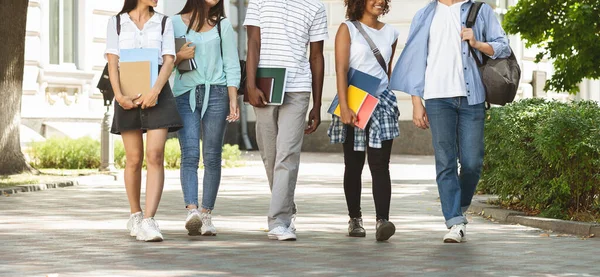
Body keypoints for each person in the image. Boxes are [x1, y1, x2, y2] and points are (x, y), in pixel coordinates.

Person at [390, 0, 511, 243]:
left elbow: (503, 47)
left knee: (472, 162)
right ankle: (454, 220)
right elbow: (415, 60)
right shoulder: (425, 14)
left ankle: (459, 206)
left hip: (472, 97)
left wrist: (477, 43)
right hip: (437, 98)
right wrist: (416, 102)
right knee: (445, 162)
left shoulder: (480, 10)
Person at [244, 0, 328, 241]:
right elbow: (253, 42)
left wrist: (318, 104)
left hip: (297, 88)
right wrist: (250, 86)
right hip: (265, 85)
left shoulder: (315, 6)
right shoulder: (259, 1)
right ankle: (287, 207)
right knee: (270, 155)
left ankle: (279, 221)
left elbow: (316, 56)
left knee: (287, 154)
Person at [105, 0, 182, 242]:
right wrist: (119, 96)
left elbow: (169, 60)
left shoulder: (164, 22)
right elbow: (112, 62)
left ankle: (149, 220)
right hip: (126, 94)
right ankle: (135, 214)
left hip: (157, 92)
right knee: (134, 158)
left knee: (155, 155)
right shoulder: (116, 22)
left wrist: (155, 91)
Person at [327, 0, 400, 242]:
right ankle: (355, 219)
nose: (380, 1)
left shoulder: (391, 32)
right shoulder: (347, 28)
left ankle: (383, 220)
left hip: (381, 103)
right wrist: (345, 107)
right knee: (354, 163)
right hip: (355, 102)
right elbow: (340, 69)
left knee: (380, 164)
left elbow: (386, 70)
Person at [171, 0, 241, 236]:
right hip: (185, 93)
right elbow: (164, 66)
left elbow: (232, 64)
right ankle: (192, 212)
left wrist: (233, 98)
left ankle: (206, 214)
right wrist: (179, 56)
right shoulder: (173, 24)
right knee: (189, 153)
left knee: (212, 156)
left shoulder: (223, 26)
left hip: (217, 93)